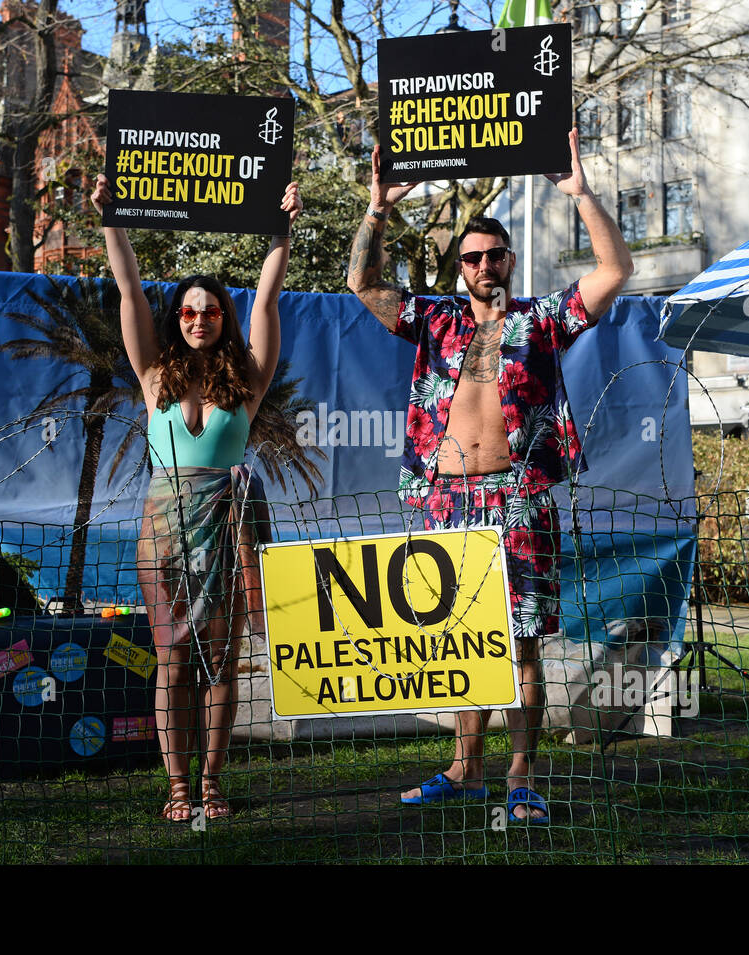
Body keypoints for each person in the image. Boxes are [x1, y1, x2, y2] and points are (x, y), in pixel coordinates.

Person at [346, 128, 632, 823]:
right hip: (444, 498)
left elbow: (616, 269)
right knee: (461, 638)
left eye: (493, 254)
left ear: (508, 259)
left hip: (517, 496)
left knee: (522, 641)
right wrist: (377, 207)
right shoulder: (435, 321)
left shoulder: (539, 322)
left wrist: (581, 194)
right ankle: (465, 767)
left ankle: (521, 777)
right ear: (461, 267)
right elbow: (362, 283)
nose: (481, 264)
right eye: (471, 256)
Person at [91, 173, 301, 822]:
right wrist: (109, 216)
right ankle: (176, 785)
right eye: (188, 310)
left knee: (220, 660)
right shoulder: (153, 374)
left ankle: (212, 779)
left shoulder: (247, 379)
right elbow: (128, 287)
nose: (200, 318)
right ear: (175, 319)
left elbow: (266, 301)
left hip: (228, 523)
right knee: (172, 660)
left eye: (210, 310)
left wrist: (282, 231)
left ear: (221, 318)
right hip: (163, 525)